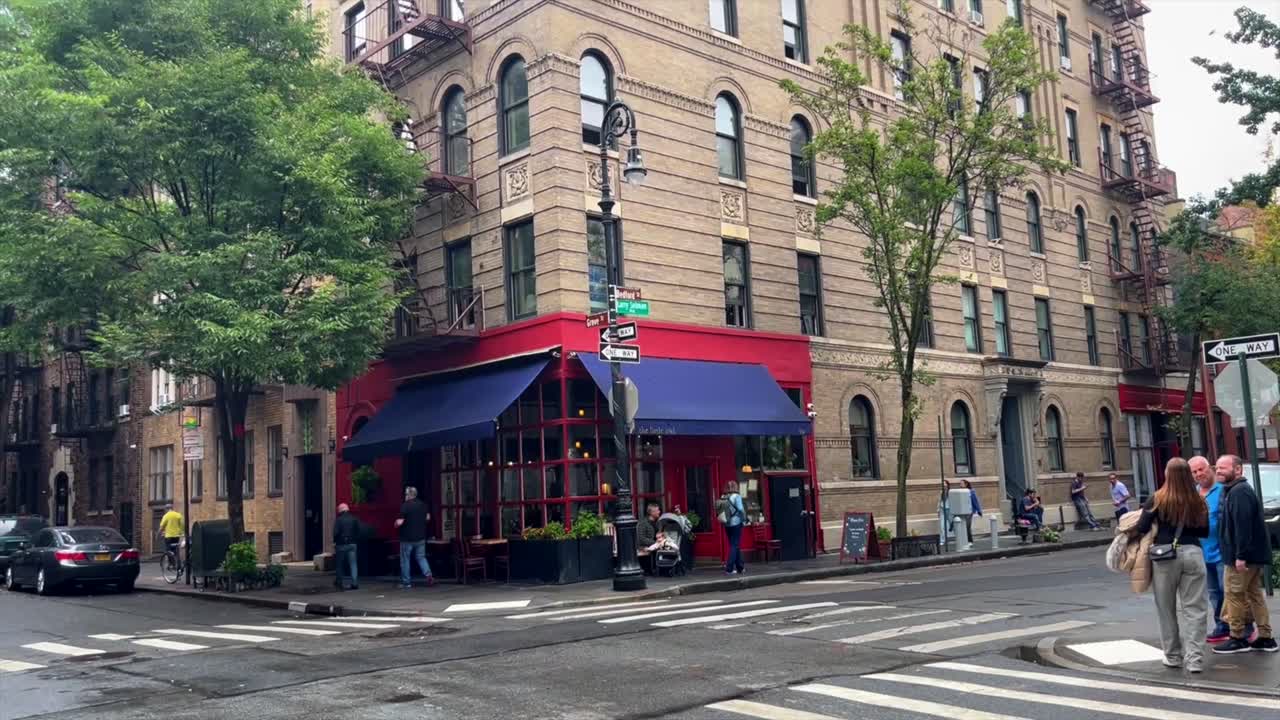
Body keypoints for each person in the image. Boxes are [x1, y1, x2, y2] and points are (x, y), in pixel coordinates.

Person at [1134, 458, 1211, 672]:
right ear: (1188, 475)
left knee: (1166, 608)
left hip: (1165, 557)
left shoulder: (1157, 499)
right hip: (1194, 554)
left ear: (1167, 474)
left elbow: (1142, 527)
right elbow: (1204, 532)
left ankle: (1173, 656)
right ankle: (1195, 660)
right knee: (1195, 609)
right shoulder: (1198, 500)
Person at [1212, 455, 1276, 654]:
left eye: (1223, 467)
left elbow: (1242, 527)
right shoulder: (1237, 490)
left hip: (1241, 557)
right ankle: (1266, 637)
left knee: (1234, 595)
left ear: (1238, 470)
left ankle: (1237, 637)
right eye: (1218, 467)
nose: (1219, 471)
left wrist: (1240, 555)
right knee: (1254, 594)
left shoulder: (1239, 492)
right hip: (1249, 555)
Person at [394, 486, 434, 589]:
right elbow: (428, 518)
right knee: (421, 557)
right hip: (420, 537)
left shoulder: (405, 506)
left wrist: (395, 524)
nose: (405, 496)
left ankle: (406, 582)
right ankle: (428, 575)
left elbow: (400, 521)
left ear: (409, 495)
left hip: (407, 538)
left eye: (406, 494)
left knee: (405, 560)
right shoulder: (423, 505)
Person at [719, 481, 746, 575]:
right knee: (734, 545)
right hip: (736, 523)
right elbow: (740, 509)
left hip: (727, 524)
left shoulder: (723, 496)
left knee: (735, 545)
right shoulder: (736, 496)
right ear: (736, 487)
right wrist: (744, 518)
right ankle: (729, 568)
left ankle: (740, 567)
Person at [332, 503, 361, 591]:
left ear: (340, 510)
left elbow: (335, 533)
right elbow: (358, 531)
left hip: (341, 544)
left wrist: (335, 542)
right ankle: (355, 583)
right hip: (352, 544)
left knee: (339, 564)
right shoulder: (354, 518)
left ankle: (339, 582)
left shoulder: (339, 520)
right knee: (353, 564)